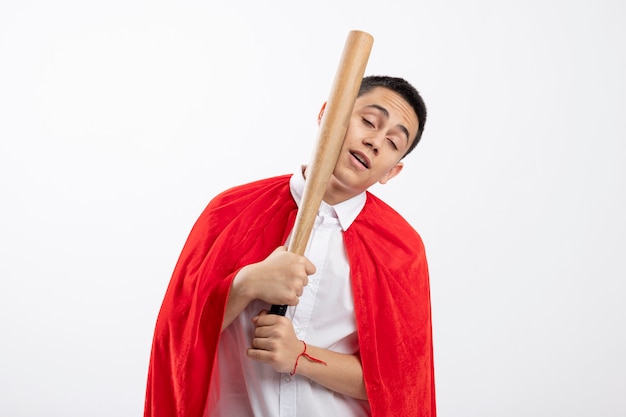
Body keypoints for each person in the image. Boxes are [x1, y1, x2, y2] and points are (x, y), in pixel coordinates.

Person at [144, 75, 436, 417]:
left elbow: (401, 382)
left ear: (392, 172)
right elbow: (175, 336)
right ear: (328, 113)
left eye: (392, 143)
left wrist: (300, 356)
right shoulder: (230, 211)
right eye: (369, 121)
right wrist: (245, 284)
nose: (374, 141)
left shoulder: (400, 248)